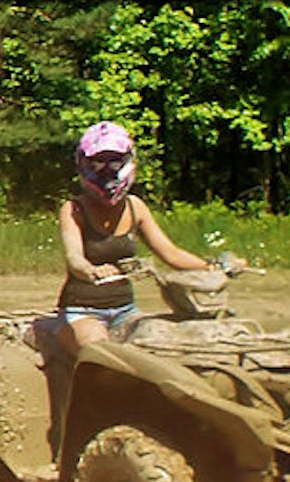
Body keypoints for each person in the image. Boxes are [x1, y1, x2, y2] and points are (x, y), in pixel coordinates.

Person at [56, 120, 216, 355]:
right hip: (82, 311)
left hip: (126, 311)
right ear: (84, 164)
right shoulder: (73, 209)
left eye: (115, 161)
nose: (107, 169)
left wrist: (211, 266)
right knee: (100, 352)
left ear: (128, 161)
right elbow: (74, 258)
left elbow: (170, 253)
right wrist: (92, 270)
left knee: (162, 347)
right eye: (98, 162)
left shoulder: (136, 208)